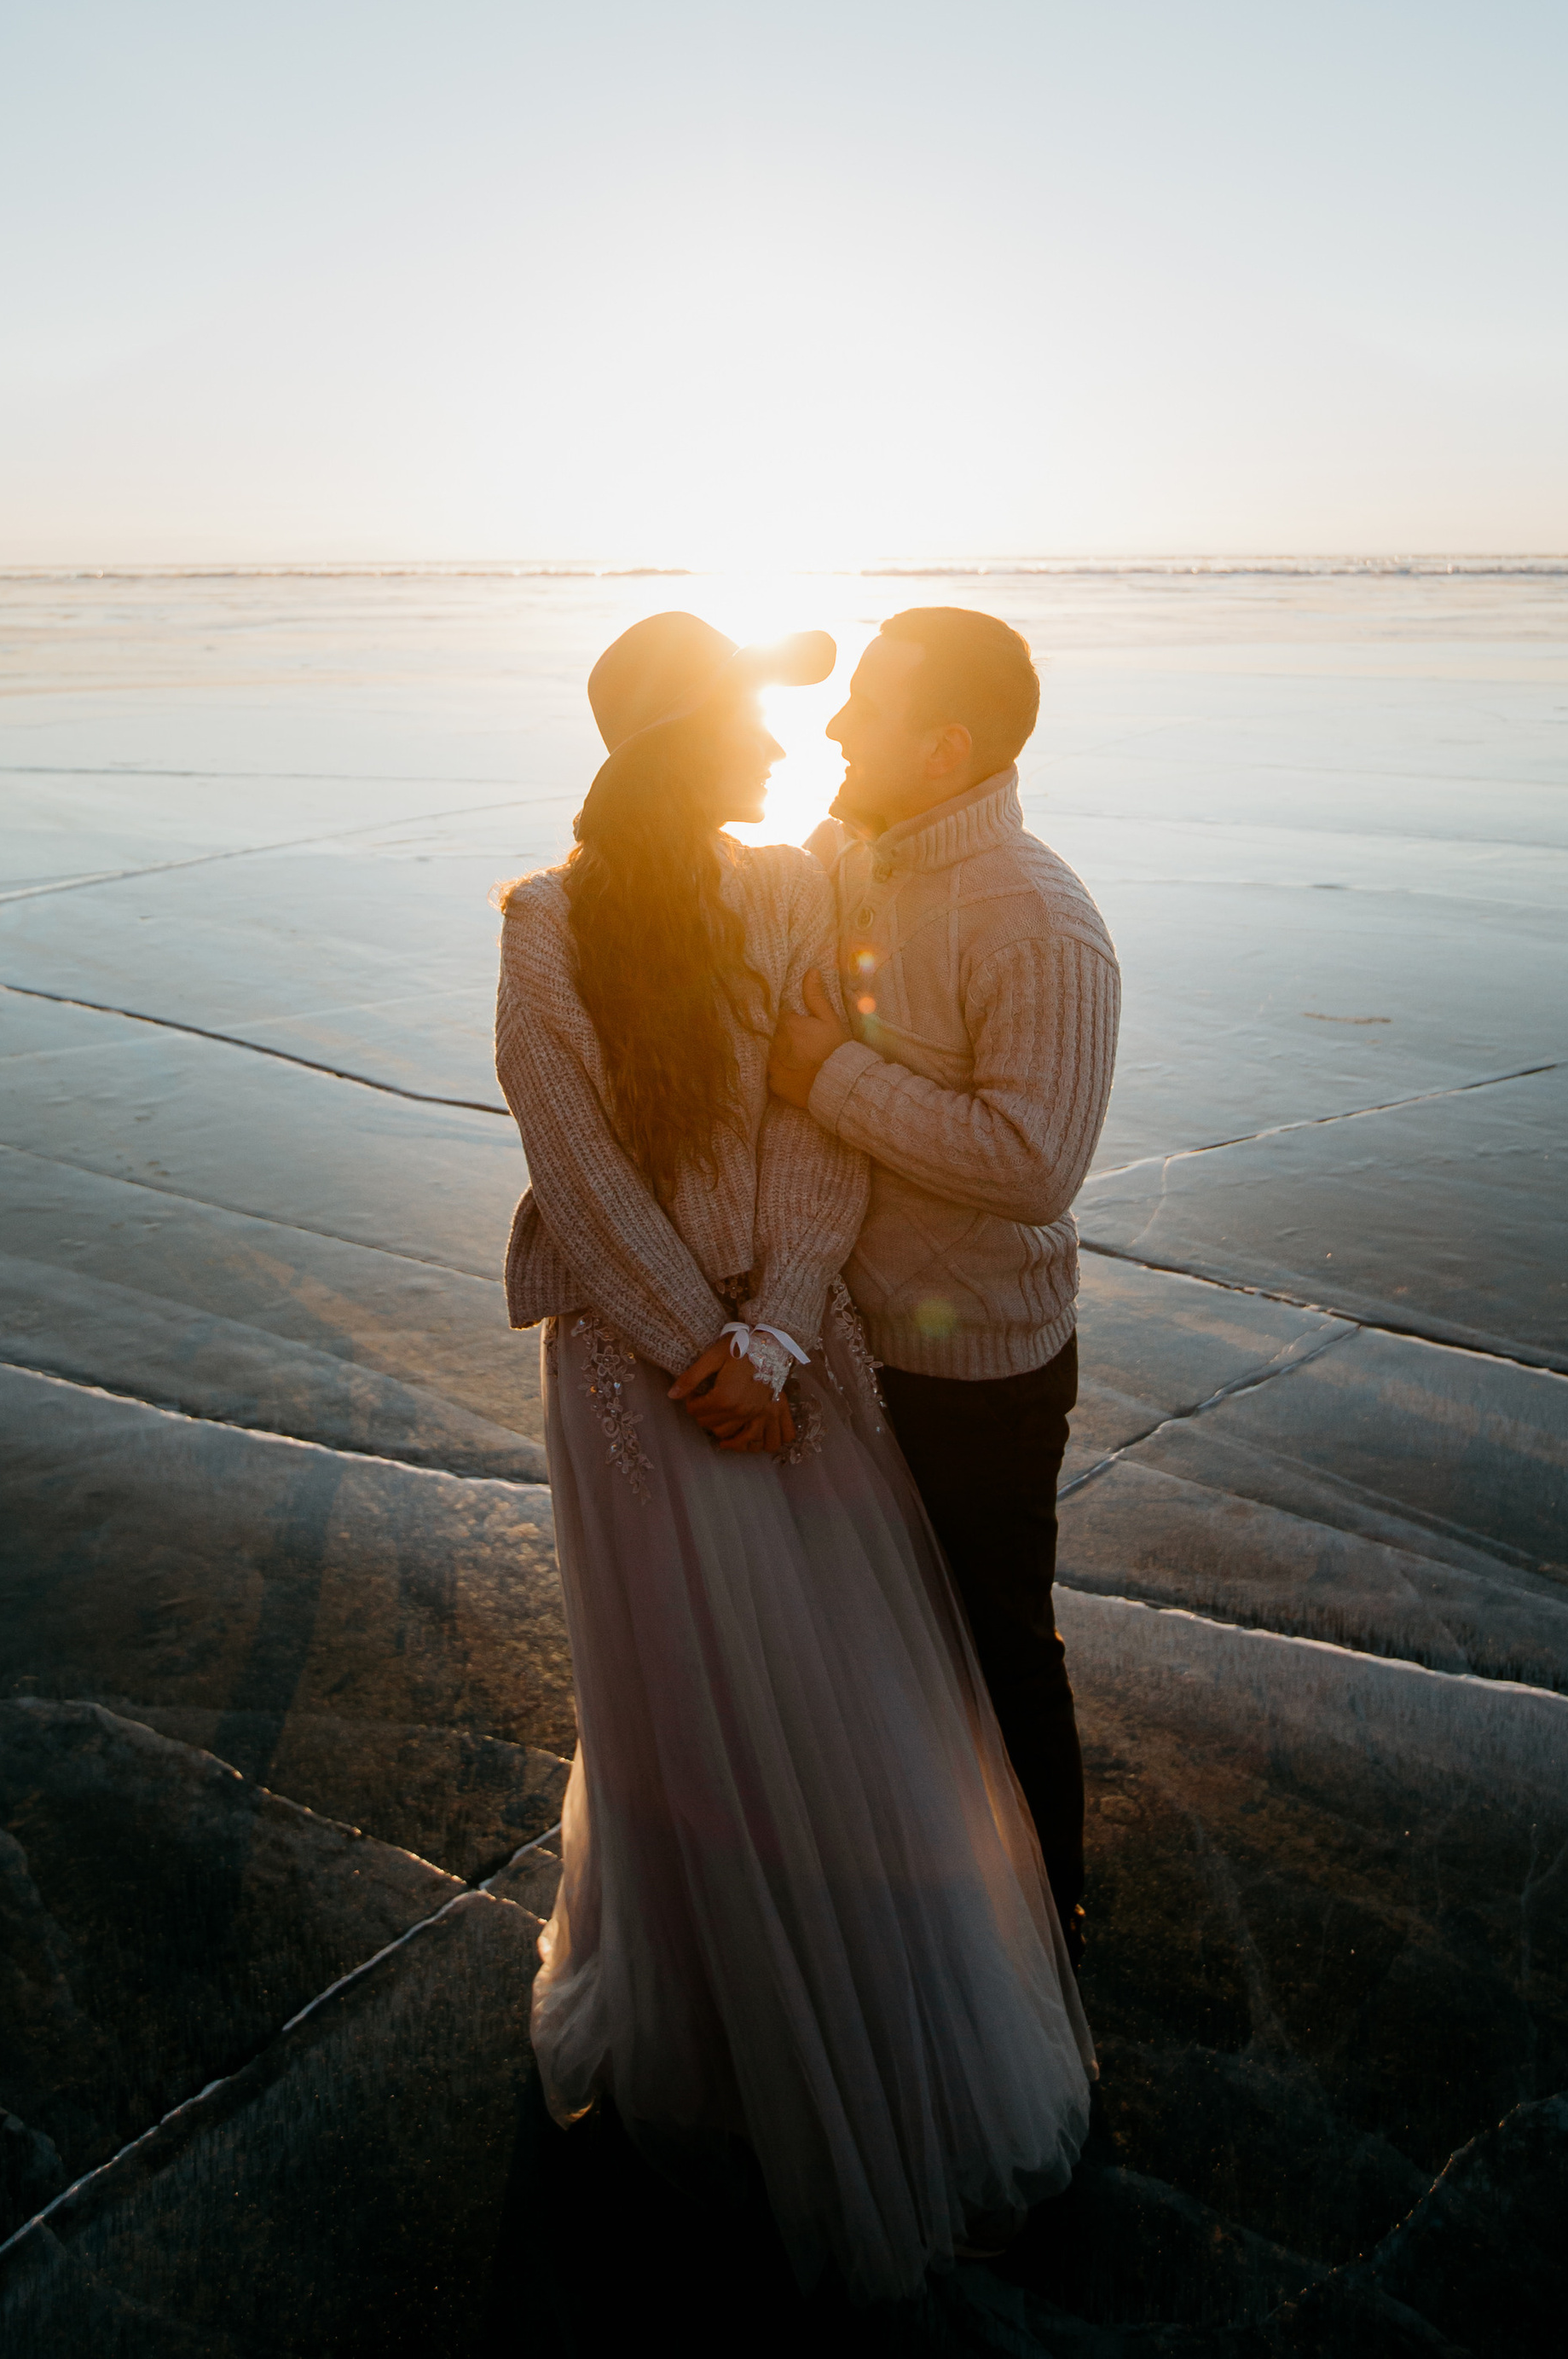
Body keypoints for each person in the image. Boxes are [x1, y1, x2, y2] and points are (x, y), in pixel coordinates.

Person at [493, 610, 1093, 2305]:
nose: (785, 740)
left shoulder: (797, 890)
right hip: (633, 1376)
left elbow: (810, 1123)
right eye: (753, 715)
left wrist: (773, 1331)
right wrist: (689, 1338)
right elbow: (577, 1159)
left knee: (837, 1697)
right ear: (682, 740)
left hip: (790, 1357)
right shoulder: (542, 927)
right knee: (672, 1699)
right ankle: (710, 2013)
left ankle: (879, 2013)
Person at [767, 609, 1121, 1967]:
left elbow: (1033, 1164)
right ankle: (907, 1911)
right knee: (866, 1639)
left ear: (946, 747)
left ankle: (1048, 1928)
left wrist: (826, 1077)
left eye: (868, 706)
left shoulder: (1038, 917)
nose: (838, 727)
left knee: (993, 1643)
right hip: (842, 1338)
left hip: (982, 1365)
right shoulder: (842, 856)